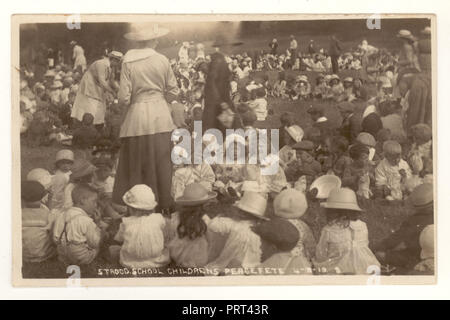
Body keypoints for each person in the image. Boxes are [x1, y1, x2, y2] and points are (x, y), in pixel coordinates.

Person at [112, 26, 180, 214]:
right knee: (161, 161)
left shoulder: (128, 61)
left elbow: (124, 97)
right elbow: (173, 89)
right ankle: (164, 203)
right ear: (152, 41)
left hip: (137, 117)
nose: (157, 41)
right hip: (160, 115)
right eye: (156, 39)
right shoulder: (162, 60)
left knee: (137, 162)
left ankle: (139, 204)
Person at [314, 188, 380, 274]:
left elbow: (321, 254)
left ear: (331, 211)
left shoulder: (329, 230)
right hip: (364, 266)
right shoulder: (362, 226)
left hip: (340, 269)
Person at [374, 183, 434, 273]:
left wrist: (379, 247)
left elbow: (396, 238)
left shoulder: (414, 220)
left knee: (380, 255)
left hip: (414, 257)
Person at [109, 184, 170, 268]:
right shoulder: (159, 218)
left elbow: (119, 239)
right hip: (156, 260)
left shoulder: (126, 222)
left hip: (129, 262)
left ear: (130, 208)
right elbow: (165, 234)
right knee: (166, 247)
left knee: (113, 249)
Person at [206, 192, 268, 271]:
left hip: (226, 266)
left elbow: (212, 225)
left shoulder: (234, 225)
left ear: (242, 214)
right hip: (252, 269)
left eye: (239, 210)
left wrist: (221, 215)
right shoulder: (261, 234)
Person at [53, 184, 107, 265]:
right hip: (81, 258)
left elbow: (55, 239)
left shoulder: (61, 215)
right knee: (101, 241)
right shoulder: (86, 220)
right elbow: (95, 242)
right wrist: (99, 225)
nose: (96, 205)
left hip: (63, 256)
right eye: (94, 201)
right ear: (82, 200)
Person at [167, 183, 217, 267]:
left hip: (177, 257)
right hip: (199, 260)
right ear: (204, 205)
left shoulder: (175, 217)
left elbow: (171, 235)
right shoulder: (205, 220)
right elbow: (211, 240)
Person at [71, 51, 123, 128]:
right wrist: (111, 91)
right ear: (114, 60)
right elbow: (102, 80)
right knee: (89, 106)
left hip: (98, 87)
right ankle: (86, 125)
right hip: (90, 85)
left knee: (100, 106)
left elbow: (112, 80)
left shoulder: (112, 67)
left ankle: (97, 125)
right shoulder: (102, 63)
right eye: (118, 62)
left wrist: (119, 89)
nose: (119, 64)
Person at [21, 181, 56, 263]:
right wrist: (50, 199)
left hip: (24, 256)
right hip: (44, 254)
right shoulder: (47, 214)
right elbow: (51, 213)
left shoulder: (19, 213)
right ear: (43, 196)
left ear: (21, 198)